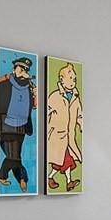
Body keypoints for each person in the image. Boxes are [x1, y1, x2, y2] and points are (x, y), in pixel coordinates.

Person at [0, 57, 36, 191]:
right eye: (21, 68)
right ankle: (20, 179)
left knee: (15, 156)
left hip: (22, 126)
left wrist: (35, 93)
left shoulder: (29, 88)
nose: (24, 71)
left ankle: (6, 177)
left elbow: (34, 106)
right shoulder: (5, 84)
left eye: (26, 69)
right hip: (6, 124)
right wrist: (6, 77)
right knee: (13, 156)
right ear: (14, 70)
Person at [46, 62, 83, 191]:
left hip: (70, 136)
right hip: (57, 136)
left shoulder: (76, 98)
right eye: (70, 79)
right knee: (64, 160)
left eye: (74, 79)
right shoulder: (54, 96)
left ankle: (60, 179)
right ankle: (66, 181)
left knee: (65, 160)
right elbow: (45, 113)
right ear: (61, 80)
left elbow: (80, 115)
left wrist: (81, 125)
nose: (72, 82)